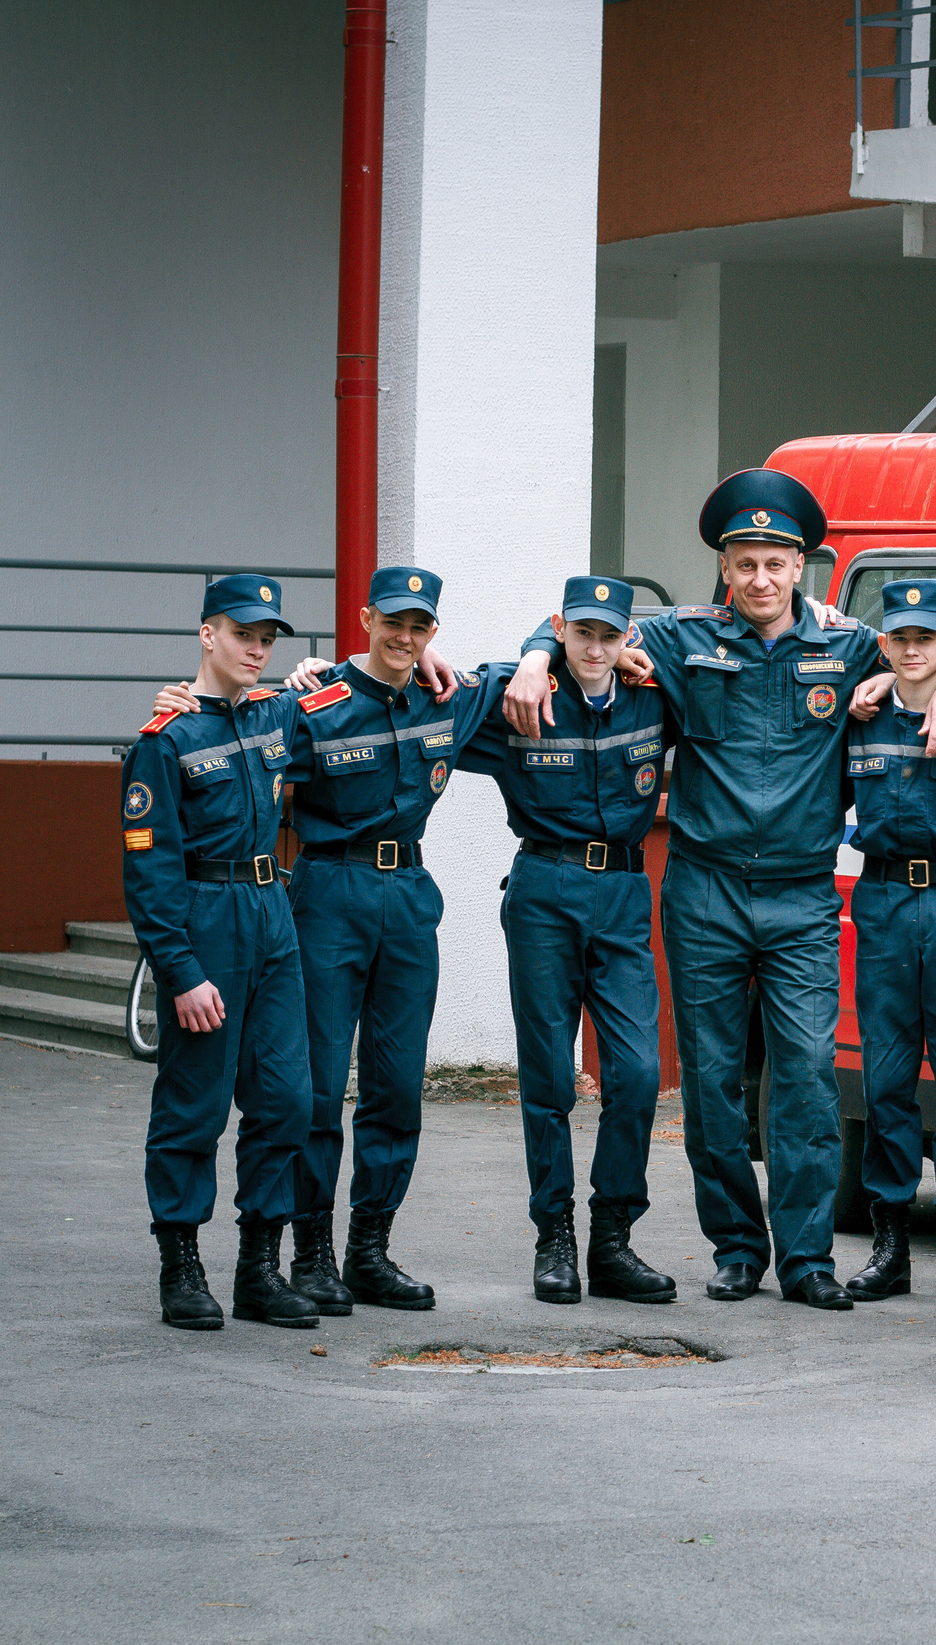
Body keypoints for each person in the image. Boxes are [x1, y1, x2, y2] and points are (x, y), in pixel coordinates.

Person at [501, 469, 936, 1311]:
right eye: (744, 562)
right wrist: (539, 655)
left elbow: (930, 649)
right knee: (714, 1079)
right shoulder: (682, 640)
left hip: (801, 898)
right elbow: (586, 620)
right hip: (705, 892)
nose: (760, 578)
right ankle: (736, 1247)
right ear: (725, 567)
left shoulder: (852, 647)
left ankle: (805, 1258)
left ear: (804, 567)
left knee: (804, 1073)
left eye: (776, 563)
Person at [160, 567, 518, 1314]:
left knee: (395, 1086)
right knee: (316, 1086)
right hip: (326, 896)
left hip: (409, 902)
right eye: (394, 622)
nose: (405, 637)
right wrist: (181, 701)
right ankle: (311, 1251)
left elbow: (551, 654)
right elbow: (231, 726)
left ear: (433, 635)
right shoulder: (310, 705)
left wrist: (552, 652)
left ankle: (370, 1250)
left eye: (421, 627)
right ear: (365, 617)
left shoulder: (447, 695)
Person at [455, 576, 677, 1307]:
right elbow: (418, 688)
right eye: (580, 632)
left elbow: (732, 651)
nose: (594, 647)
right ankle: (555, 1235)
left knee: (639, 1073)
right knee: (549, 1077)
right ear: (560, 627)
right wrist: (529, 657)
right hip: (544, 889)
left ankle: (612, 1239)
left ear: (628, 639)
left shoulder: (655, 695)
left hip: (620, 894)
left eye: (608, 635)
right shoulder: (521, 697)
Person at [120, 575, 319, 1332]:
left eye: (267, 639)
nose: (257, 649)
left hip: (273, 914)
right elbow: (148, 867)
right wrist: (179, 968)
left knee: (286, 1097)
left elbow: (351, 703)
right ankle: (181, 1264)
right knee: (194, 1104)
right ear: (208, 635)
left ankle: (258, 1268)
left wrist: (314, 677)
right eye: (244, 635)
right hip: (205, 921)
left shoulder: (277, 716)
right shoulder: (165, 739)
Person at [840, 578, 936, 1307]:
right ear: (884, 642)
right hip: (884, 899)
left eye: (926, 638)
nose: (912, 649)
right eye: (900, 636)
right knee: (887, 1077)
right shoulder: (861, 714)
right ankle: (892, 1240)